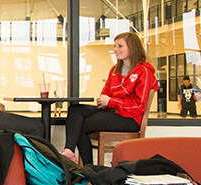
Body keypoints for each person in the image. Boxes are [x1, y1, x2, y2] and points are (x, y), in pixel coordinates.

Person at [63, 32, 157, 165]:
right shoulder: (115, 70)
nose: (115, 50)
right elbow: (106, 92)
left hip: (130, 118)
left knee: (80, 125)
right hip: (113, 111)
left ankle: (87, 169)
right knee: (75, 110)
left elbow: (139, 105)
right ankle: (69, 151)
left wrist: (111, 101)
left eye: (120, 46)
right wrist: (103, 102)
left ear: (132, 47)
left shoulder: (144, 72)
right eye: (115, 46)